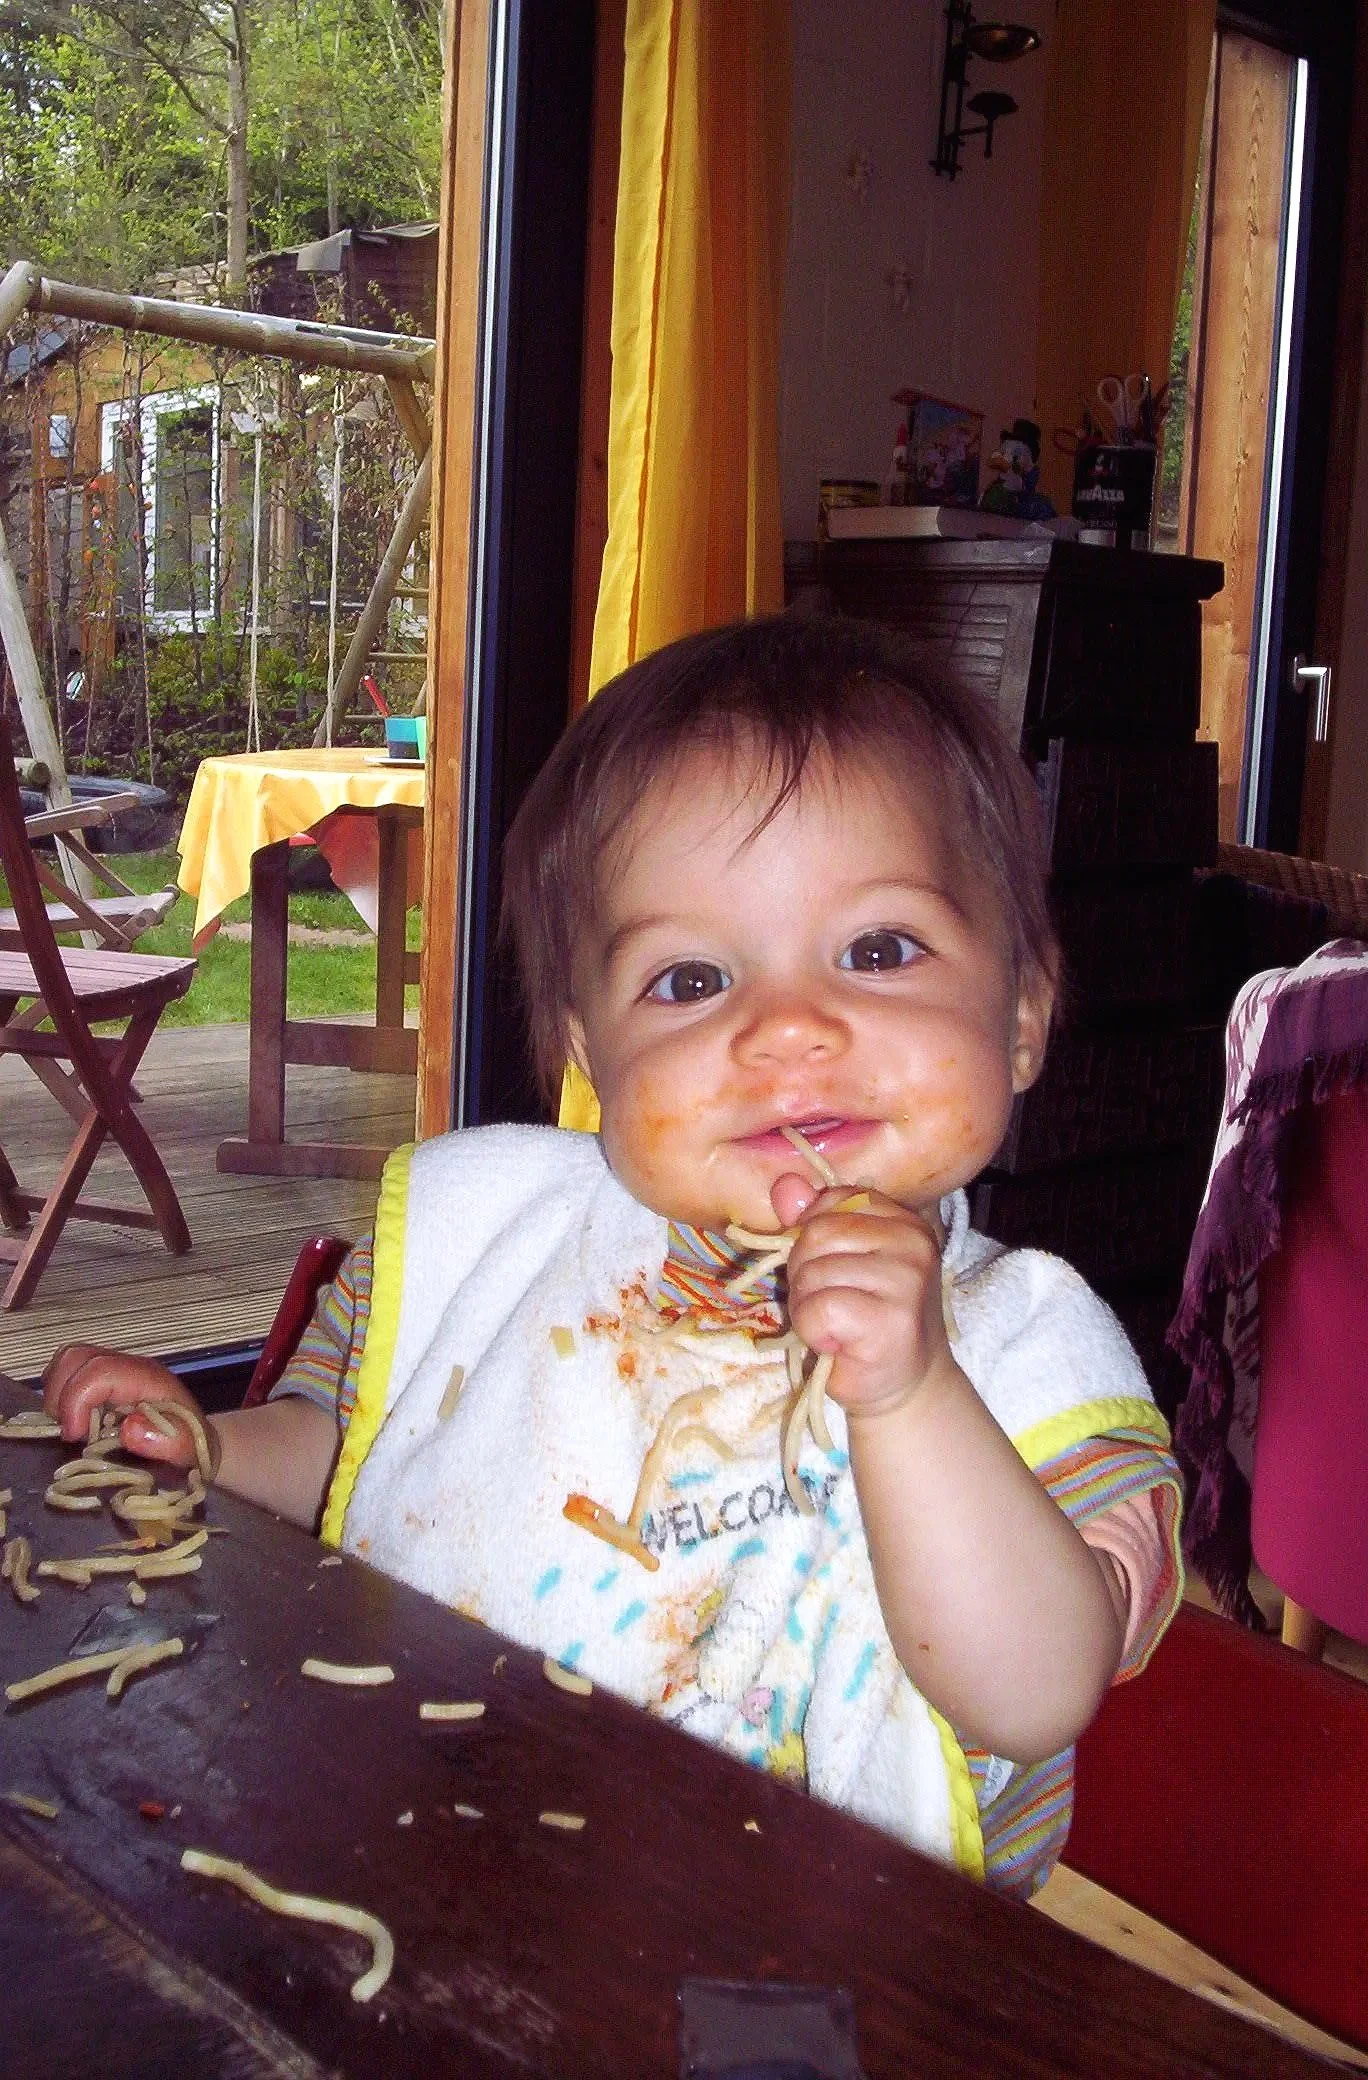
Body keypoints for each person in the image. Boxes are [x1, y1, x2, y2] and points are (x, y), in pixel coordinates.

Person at [44, 615, 1182, 1897]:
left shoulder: (1030, 1345)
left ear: (1022, 1016)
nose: (790, 1027)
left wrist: (913, 1394)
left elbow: (1035, 1694)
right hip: (455, 1853)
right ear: (590, 1056)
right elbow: (355, 1452)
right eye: (692, 979)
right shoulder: (501, 1236)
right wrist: (211, 1451)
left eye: (877, 950)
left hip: (841, 1960)